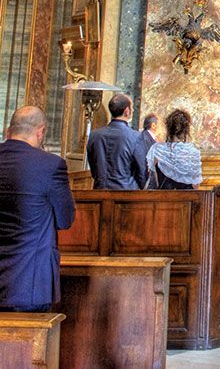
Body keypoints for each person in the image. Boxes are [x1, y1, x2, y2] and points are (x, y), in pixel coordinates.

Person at [0, 106, 75, 312]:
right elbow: (65, 219)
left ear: (9, 131)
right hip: (29, 282)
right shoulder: (51, 165)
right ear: (41, 131)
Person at [86, 93, 148, 190]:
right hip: (125, 195)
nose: (133, 110)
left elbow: (94, 169)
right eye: (132, 108)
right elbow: (142, 172)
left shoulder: (94, 135)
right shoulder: (136, 137)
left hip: (100, 192)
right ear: (126, 111)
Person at [146, 109, 203, 189]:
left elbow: (153, 181)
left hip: (164, 199)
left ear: (168, 128)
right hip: (186, 200)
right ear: (186, 130)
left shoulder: (156, 150)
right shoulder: (193, 152)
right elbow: (195, 186)